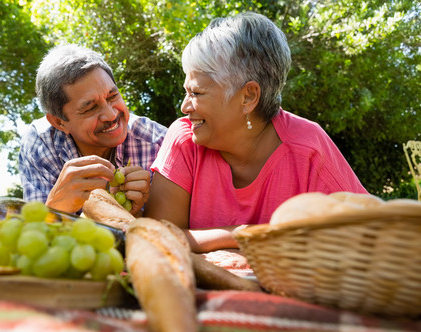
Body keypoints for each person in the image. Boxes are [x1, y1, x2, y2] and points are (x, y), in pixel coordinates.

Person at [144, 12, 368, 253]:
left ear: (248, 96)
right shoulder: (184, 139)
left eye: (196, 93)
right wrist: (244, 235)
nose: (184, 107)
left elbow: (369, 235)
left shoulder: (309, 148)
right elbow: (157, 239)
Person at [19, 44, 167, 215]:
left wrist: (137, 214)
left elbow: (176, 232)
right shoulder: (40, 145)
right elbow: (37, 235)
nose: (111, 115)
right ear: (59, 123)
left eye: (113, 96)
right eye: (90, 108)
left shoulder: (158, 143)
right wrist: (55, 209)